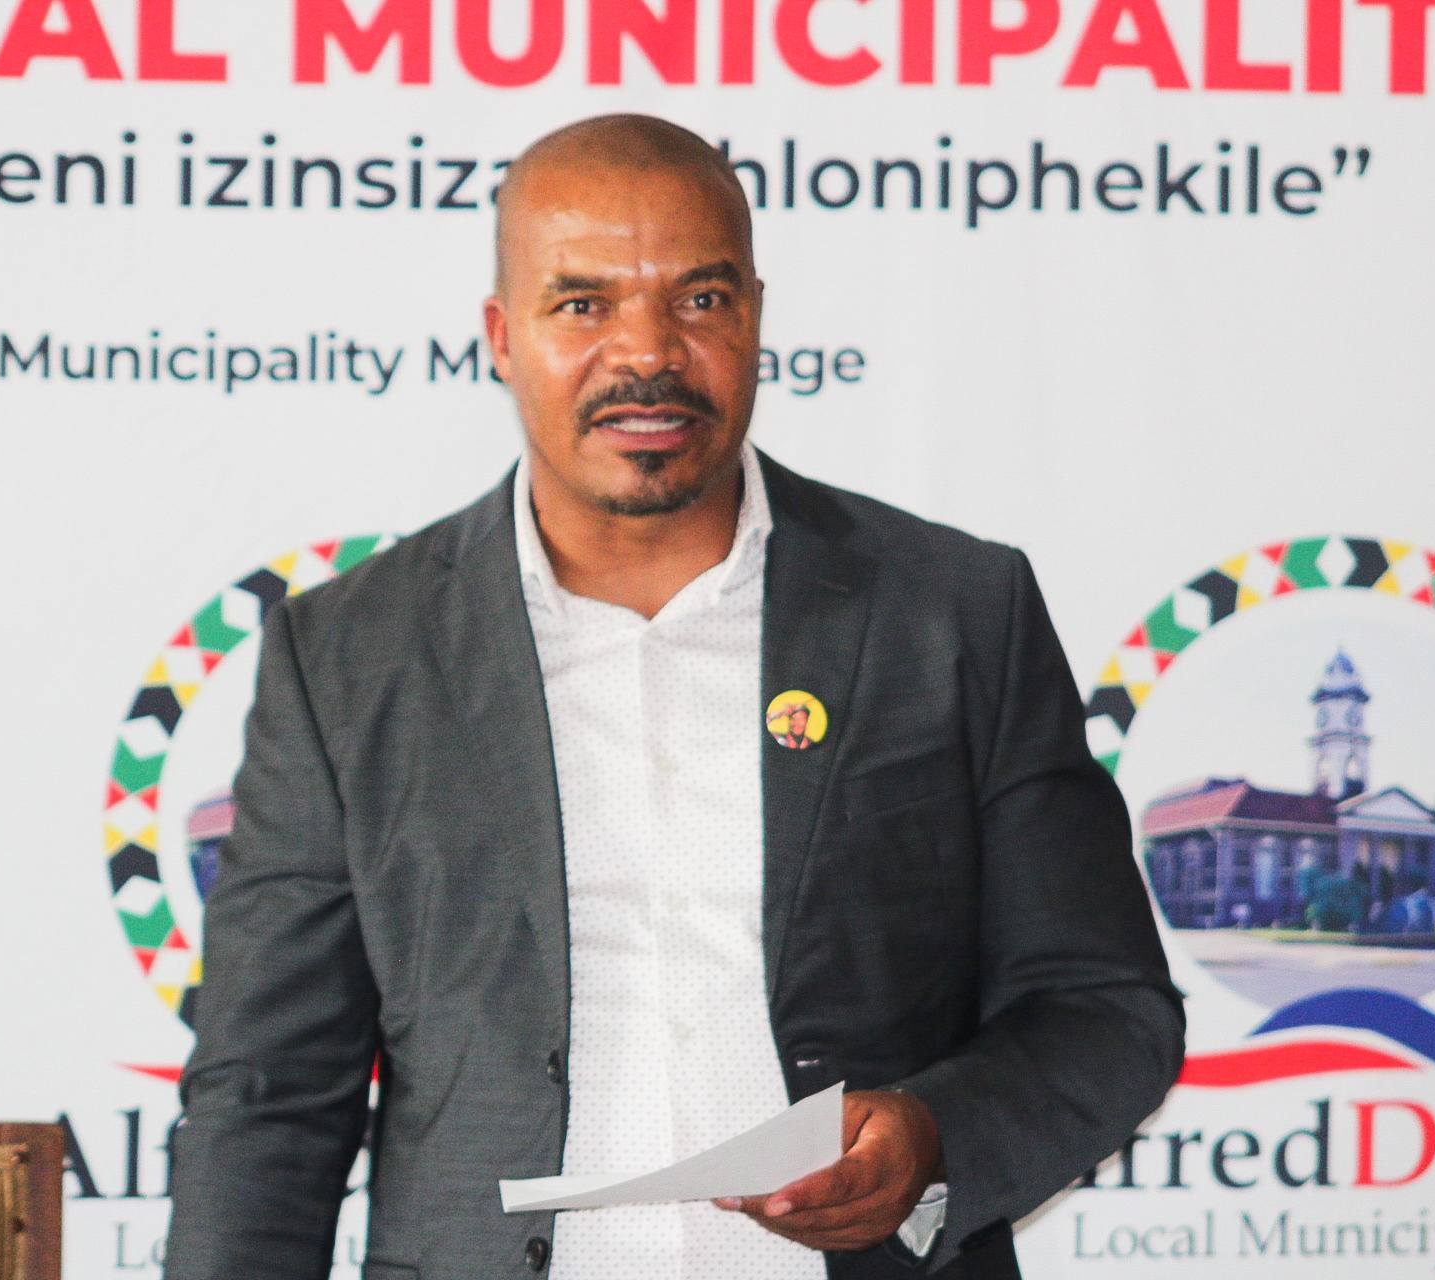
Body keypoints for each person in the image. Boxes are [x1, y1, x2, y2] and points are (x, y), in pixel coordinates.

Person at [162, 114, 1184, 1280]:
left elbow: (1104, 1010)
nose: (646, 352)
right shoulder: (350, 655)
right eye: (582, 303)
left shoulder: (950, 612)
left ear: (755, 316)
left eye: (699, 299)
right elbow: (268, 1096)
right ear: (502, 336)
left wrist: (933, 1134)